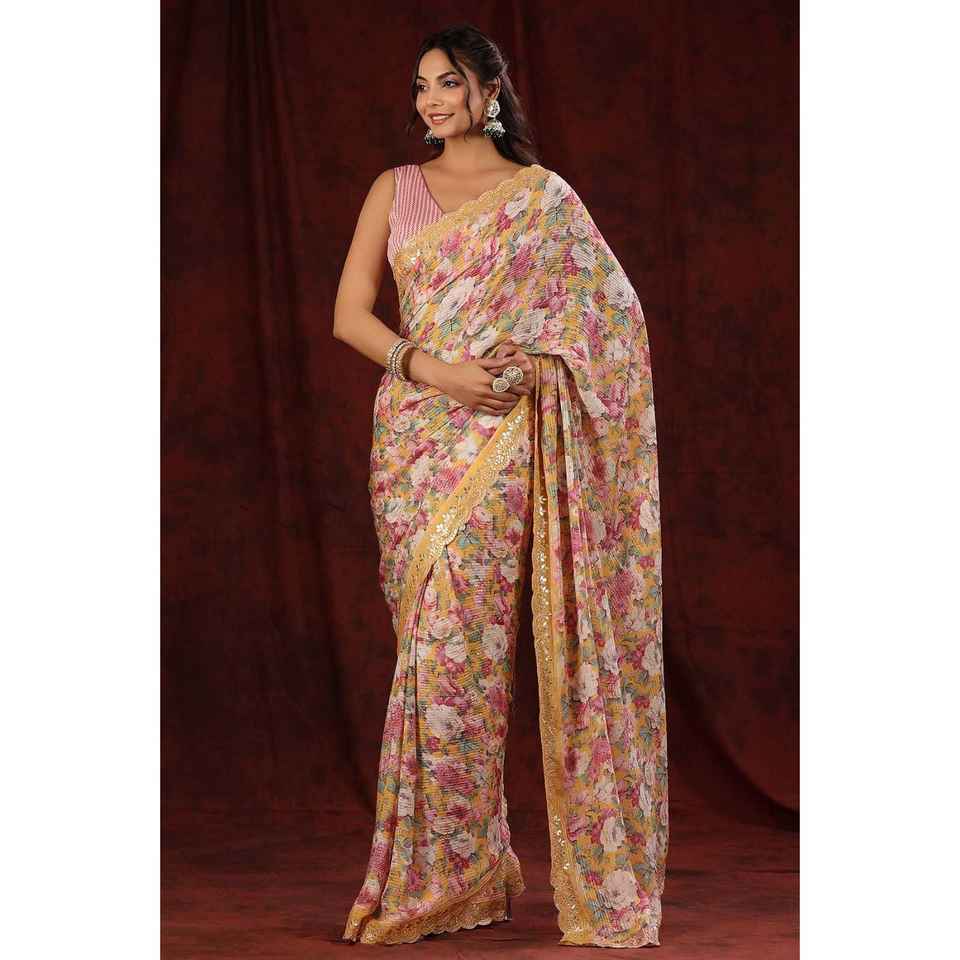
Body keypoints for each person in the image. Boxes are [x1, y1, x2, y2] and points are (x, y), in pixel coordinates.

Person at [333, 23, 668, 948]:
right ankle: (455, 873)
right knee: (432, 652)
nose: (430, 100)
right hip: (415, 440)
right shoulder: (394, 190)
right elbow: (350, 315)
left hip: (505, 439)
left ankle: (459, 873)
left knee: (467, 653)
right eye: (420, 86)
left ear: (489, 91)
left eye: (448, 83)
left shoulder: (542, 199)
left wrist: (533, 363)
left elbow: (612, 320)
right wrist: (437, 372)